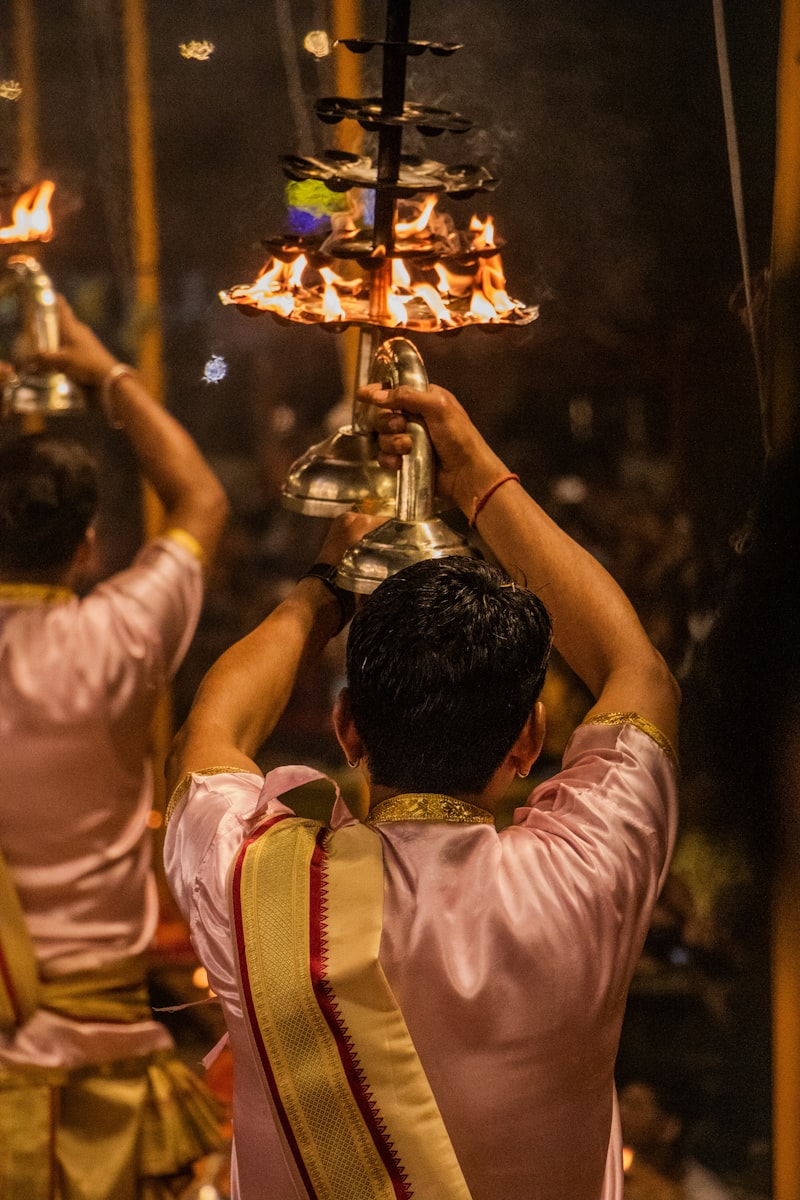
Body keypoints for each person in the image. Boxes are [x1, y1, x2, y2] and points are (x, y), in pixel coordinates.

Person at [163, 376, 681, 1200]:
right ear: (530, 740)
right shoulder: (591, 876)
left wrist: (326, 586)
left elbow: (210, 733)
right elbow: (639, 672)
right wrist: (476, 478)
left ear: (346, 731)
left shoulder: (253, 885)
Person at [0, 297, 230, 1199]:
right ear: (89, 547)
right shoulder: (120, 639)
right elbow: (202, 499)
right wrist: (109, 375)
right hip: (107, 1065)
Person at [618, 1076, 736, 1200]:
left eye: (635, 1106)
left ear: (670, 1128)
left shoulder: (701, 1194)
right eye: (619, 1101)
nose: (620, 1112)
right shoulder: (611, 1170)